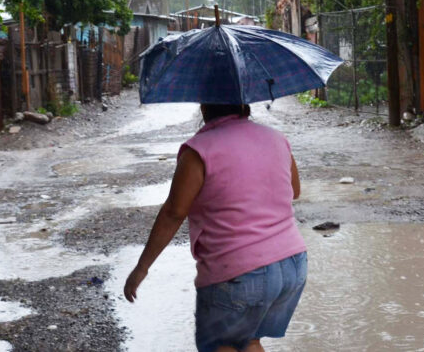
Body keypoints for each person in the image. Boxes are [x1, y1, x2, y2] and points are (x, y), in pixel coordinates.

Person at [123, 103, 307, 352]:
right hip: (292, 265)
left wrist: (142, 267)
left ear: (204, 106)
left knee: (223, 345)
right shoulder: (276, 138)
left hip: (239, 271)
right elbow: (294, 191)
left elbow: (174, 212)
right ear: (245, 103)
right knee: (248, 340)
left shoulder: (199, 150)